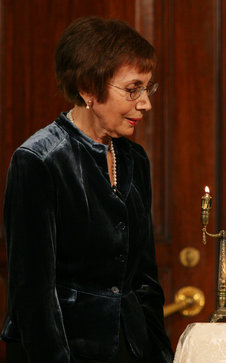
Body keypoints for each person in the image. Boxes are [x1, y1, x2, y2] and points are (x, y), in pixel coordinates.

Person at [1, 17, 173, 362]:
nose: (145, 103)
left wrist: (157, 351)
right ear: (87, 89)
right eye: (132, 89)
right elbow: (32, 293)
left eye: (147, 88)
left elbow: (145, 278)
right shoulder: (39, 160)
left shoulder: (135, 158)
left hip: (131, 349)